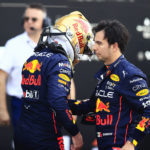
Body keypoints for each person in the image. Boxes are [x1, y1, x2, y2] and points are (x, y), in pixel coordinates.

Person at [14, 11, 94, 150]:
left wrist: (84, 107)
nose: (80, 56)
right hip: (45, 138)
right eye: (83, 49)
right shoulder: (60, 61)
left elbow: (44, 100)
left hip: (23, 134)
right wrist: (75, 133)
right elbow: (57, 102)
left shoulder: (33, 57)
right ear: (76, 38)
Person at [68, 19, 150, 150]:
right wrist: (58, 103)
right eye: (95, 42)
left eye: (99, 43)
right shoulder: (107, 73)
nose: (94, 47)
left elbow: (148, 110)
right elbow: (92, 105)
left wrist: (131, 143)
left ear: (114, 46)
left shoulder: (129, 74)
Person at [0, 3, 51, 128]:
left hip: (48, 105)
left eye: (34, 19)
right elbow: (1, 77)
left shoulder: (52, 44)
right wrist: (2, 110)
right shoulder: (13, 44)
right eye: (26, 19)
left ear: (44, 23)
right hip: (21, 105)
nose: (29, 22)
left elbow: (67, 79)